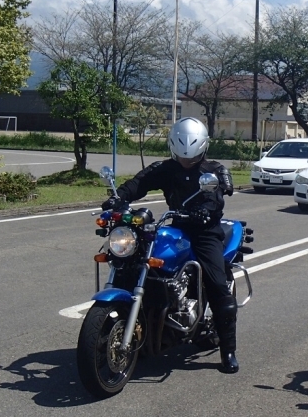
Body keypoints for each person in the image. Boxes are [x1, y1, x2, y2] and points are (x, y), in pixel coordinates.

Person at [101, 117, 239, 374]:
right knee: (137, 261)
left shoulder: (214, 170)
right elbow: (139, 183)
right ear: (173, 149)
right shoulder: (165, 169)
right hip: (175, 226)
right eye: (182, 156)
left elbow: (216, 197)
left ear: (203, 148)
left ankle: (228, 351)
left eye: (192, 157)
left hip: (205, 230)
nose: (187, 161)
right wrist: (118, 197)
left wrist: (206, 212)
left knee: (217, 284)